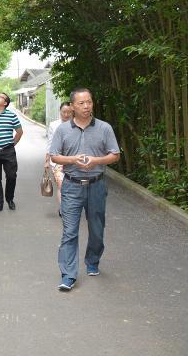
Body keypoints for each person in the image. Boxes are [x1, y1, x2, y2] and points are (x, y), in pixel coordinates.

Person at [50, 88, 120, 291]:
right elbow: (54, 156)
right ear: (72, 106)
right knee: (69, 231)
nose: (86, 106)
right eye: (81, 103)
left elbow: (115, 155)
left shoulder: (104, 128)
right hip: (71, 185)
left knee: (97, 229)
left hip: (97, 184)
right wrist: (73, 160)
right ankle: (68, 275)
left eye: (89, 102)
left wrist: (95, 161)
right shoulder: (62, 130)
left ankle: (92, 260)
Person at [44, 102, 73, 216]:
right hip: (57, 160)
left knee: (72, 186)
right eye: (63, 112)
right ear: (60, 112)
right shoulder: (54, 125)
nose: (66, 114)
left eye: (69, 112)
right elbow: (50, 144)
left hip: (73, 160)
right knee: (61, 185)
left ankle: (70, 207)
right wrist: (47, 161)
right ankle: (63, 209)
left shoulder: (77, 124)